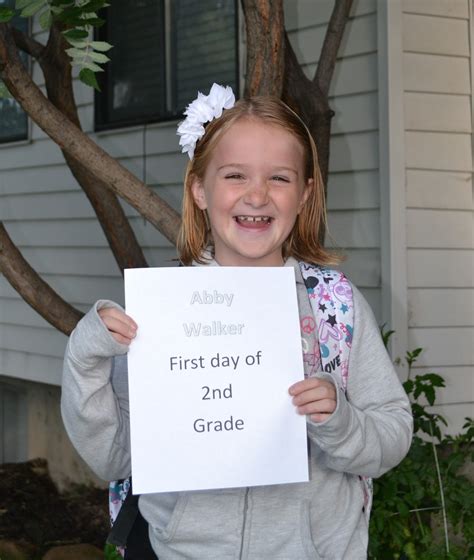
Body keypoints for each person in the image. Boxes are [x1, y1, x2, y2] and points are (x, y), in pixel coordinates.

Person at [61, 84, 413, 559]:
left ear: (305, 194)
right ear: (200, 190)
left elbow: (391, 434)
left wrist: (340, 422)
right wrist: (86, 356)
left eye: (280, 178)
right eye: (235, 175)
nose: (257, 195)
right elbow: (115, 455)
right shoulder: (164, 313)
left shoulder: (336, 306)